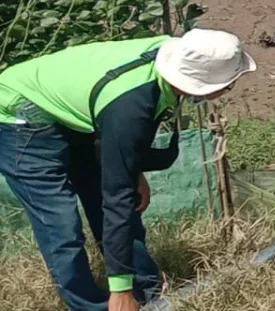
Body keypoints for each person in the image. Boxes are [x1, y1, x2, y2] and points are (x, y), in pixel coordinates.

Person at [0, 29, 257, 311]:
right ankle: (98, 304)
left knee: (115, 199)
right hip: (18, 113)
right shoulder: (131, 106)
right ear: (202, 85)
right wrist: (119, 290)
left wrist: (134, 171)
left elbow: (123, 151)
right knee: (60, 223)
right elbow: (116, 198)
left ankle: (147, 291)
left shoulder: (176, 58)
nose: (230, 88)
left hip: (76, 110)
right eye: (229, 84)